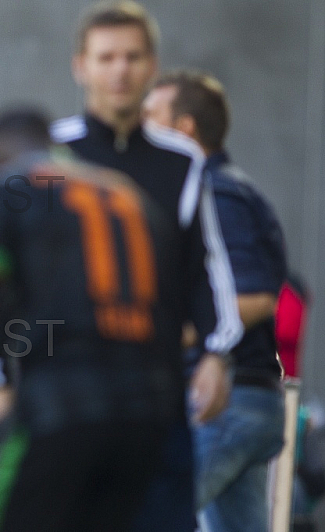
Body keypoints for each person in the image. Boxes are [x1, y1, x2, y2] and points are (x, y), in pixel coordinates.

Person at [0, 108, 186, 531]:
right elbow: (173, 316)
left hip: (60, 409)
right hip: (148, 417)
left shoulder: (1, 190)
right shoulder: (133, 197)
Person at [50, 2, 242, 529]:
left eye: (132, 57)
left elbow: (207, 266)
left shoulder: (183, 162)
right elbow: (9, 278)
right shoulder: (49, 156)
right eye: (106, 57)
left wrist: (217, 355)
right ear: (81, 66)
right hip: (63, 398)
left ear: (152, 65)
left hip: (155, 400)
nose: (120, 70)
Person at [143, 70, 287, 532]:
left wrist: (167, 330)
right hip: (243, 402)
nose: (141, 126)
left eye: (152, 115)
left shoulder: (218, 192)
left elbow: (256, 297)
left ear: (184, 128)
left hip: (226, 402)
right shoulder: (219, 188)